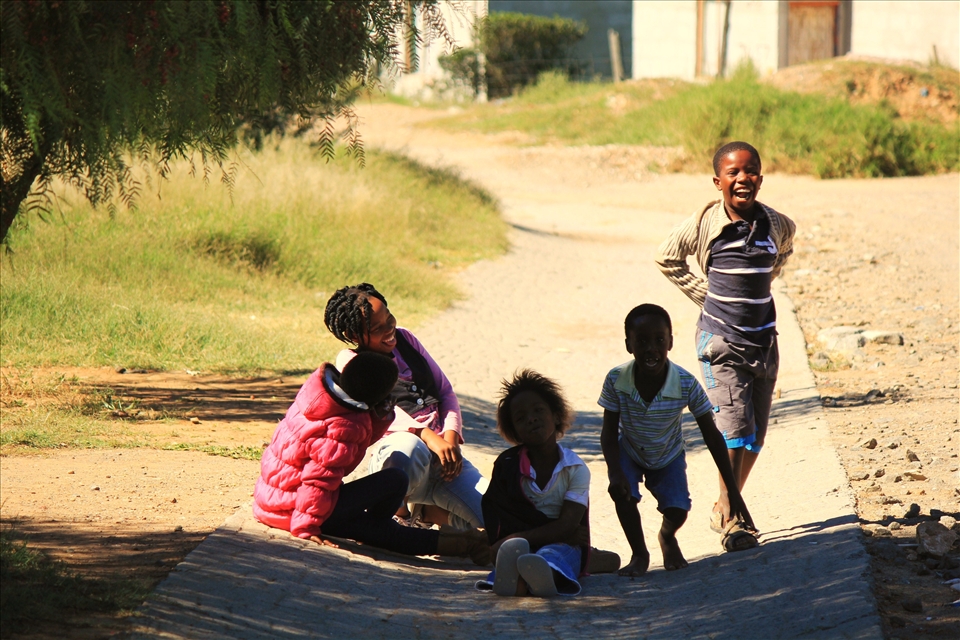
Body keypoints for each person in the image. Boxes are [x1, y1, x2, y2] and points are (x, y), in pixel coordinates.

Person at [654, 141, 795, 540]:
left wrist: (764, 280)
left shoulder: (777, 224)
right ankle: (734, 518)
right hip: (720, 342)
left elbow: (782, 252)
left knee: (754, 437)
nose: (742, 179)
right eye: (732, 173)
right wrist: (705, 294)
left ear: (761, 179)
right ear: (717, 182)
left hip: (764, 341)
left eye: (750, 171)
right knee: (733, 431)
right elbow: (666, 256)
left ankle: (724, 504)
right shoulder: (705, 223)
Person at [252, 351, 488, 563]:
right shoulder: (342, 428)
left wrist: (380, 417)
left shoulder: (322, 397)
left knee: (395, 479)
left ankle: (384, 526)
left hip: (279, 497)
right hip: (293, 510)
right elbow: (317, 481)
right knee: (389, 535)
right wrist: (306, 527)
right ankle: (469, 546)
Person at [599, 304, 755, 577]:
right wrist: (615, 472)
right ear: (628, 345)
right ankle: (639, 553)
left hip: (668, 456)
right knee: (623, 496)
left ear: (670, 341)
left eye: (659, 340)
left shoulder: (685, 383)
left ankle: (667, 538)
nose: (651, 349)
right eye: (642, 341)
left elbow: (712, 436)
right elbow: (609, 432)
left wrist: (733, 490)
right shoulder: (616, 380)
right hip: (630, 451)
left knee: (678, 509)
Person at [325, 283, 486, 531]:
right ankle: (394, 512)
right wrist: (427, 435)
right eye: (377, 328)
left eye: (389, 319)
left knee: (495, 514)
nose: (389, 330)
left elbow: (444, 391)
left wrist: (451, 437)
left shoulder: (406, 338)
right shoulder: (352, 361)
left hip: (442, 461)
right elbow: (384, 411)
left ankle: (427, 513)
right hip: (399, 457)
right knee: (407, 447)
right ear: (355, 335)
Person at [478, 370, 592, 597]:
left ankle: (540, 577)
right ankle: (520, 581)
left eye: (538, 411)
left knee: (555, 555)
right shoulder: (507, 465)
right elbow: (497, 513)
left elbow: (568, 526)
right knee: (518, 554)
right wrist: (511, 541)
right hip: (522, 547)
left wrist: (513, 539)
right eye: (520, 418)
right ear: (514, 431)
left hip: (560, 544)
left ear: (556, 415)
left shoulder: (575, 469)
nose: (531, 419)